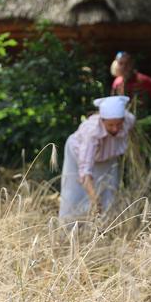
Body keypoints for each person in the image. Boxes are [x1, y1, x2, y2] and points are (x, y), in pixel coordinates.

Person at [59, 96, 135, 227]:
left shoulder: (128, 120)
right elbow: (85, 171)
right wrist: (94, 200)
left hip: (108, 155)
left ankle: (105, 226)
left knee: (109, 189)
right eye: (110, 125)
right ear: (102, 121)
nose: (115, 129)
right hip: (79, 155)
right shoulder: (92, 133)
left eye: (118, 124)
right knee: (75, 192)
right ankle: (71, 227)